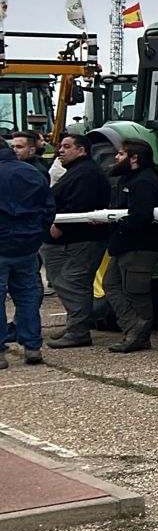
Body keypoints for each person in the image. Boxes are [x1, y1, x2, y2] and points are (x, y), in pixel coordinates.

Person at [43, 134, 111, 349]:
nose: (60, 151)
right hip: (70, 240)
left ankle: (78, 331)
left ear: (82, 150)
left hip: (80, 240)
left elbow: (81, 204)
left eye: (66, 147)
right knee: (65, 282)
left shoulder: (87, 174)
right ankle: (76, 323)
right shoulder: (74, 172)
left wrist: (60, 226)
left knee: (74, 282)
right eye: (60, 147)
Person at [105, 139, 158, 353]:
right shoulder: (132, 179)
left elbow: (141, 216)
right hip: (126, 244)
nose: (117, 157)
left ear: (134, 158)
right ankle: (133, 327)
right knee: (111, 284)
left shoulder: (143, 182)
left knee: (136, 292)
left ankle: (139, 334)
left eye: (121, 154)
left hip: (139, 246)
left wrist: (116, 222)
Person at [0, 139, 55, 368]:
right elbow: (49, 207)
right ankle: (32, 347)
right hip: (27, 244)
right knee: (28, 297)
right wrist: (37, 234)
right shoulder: (32, 172)